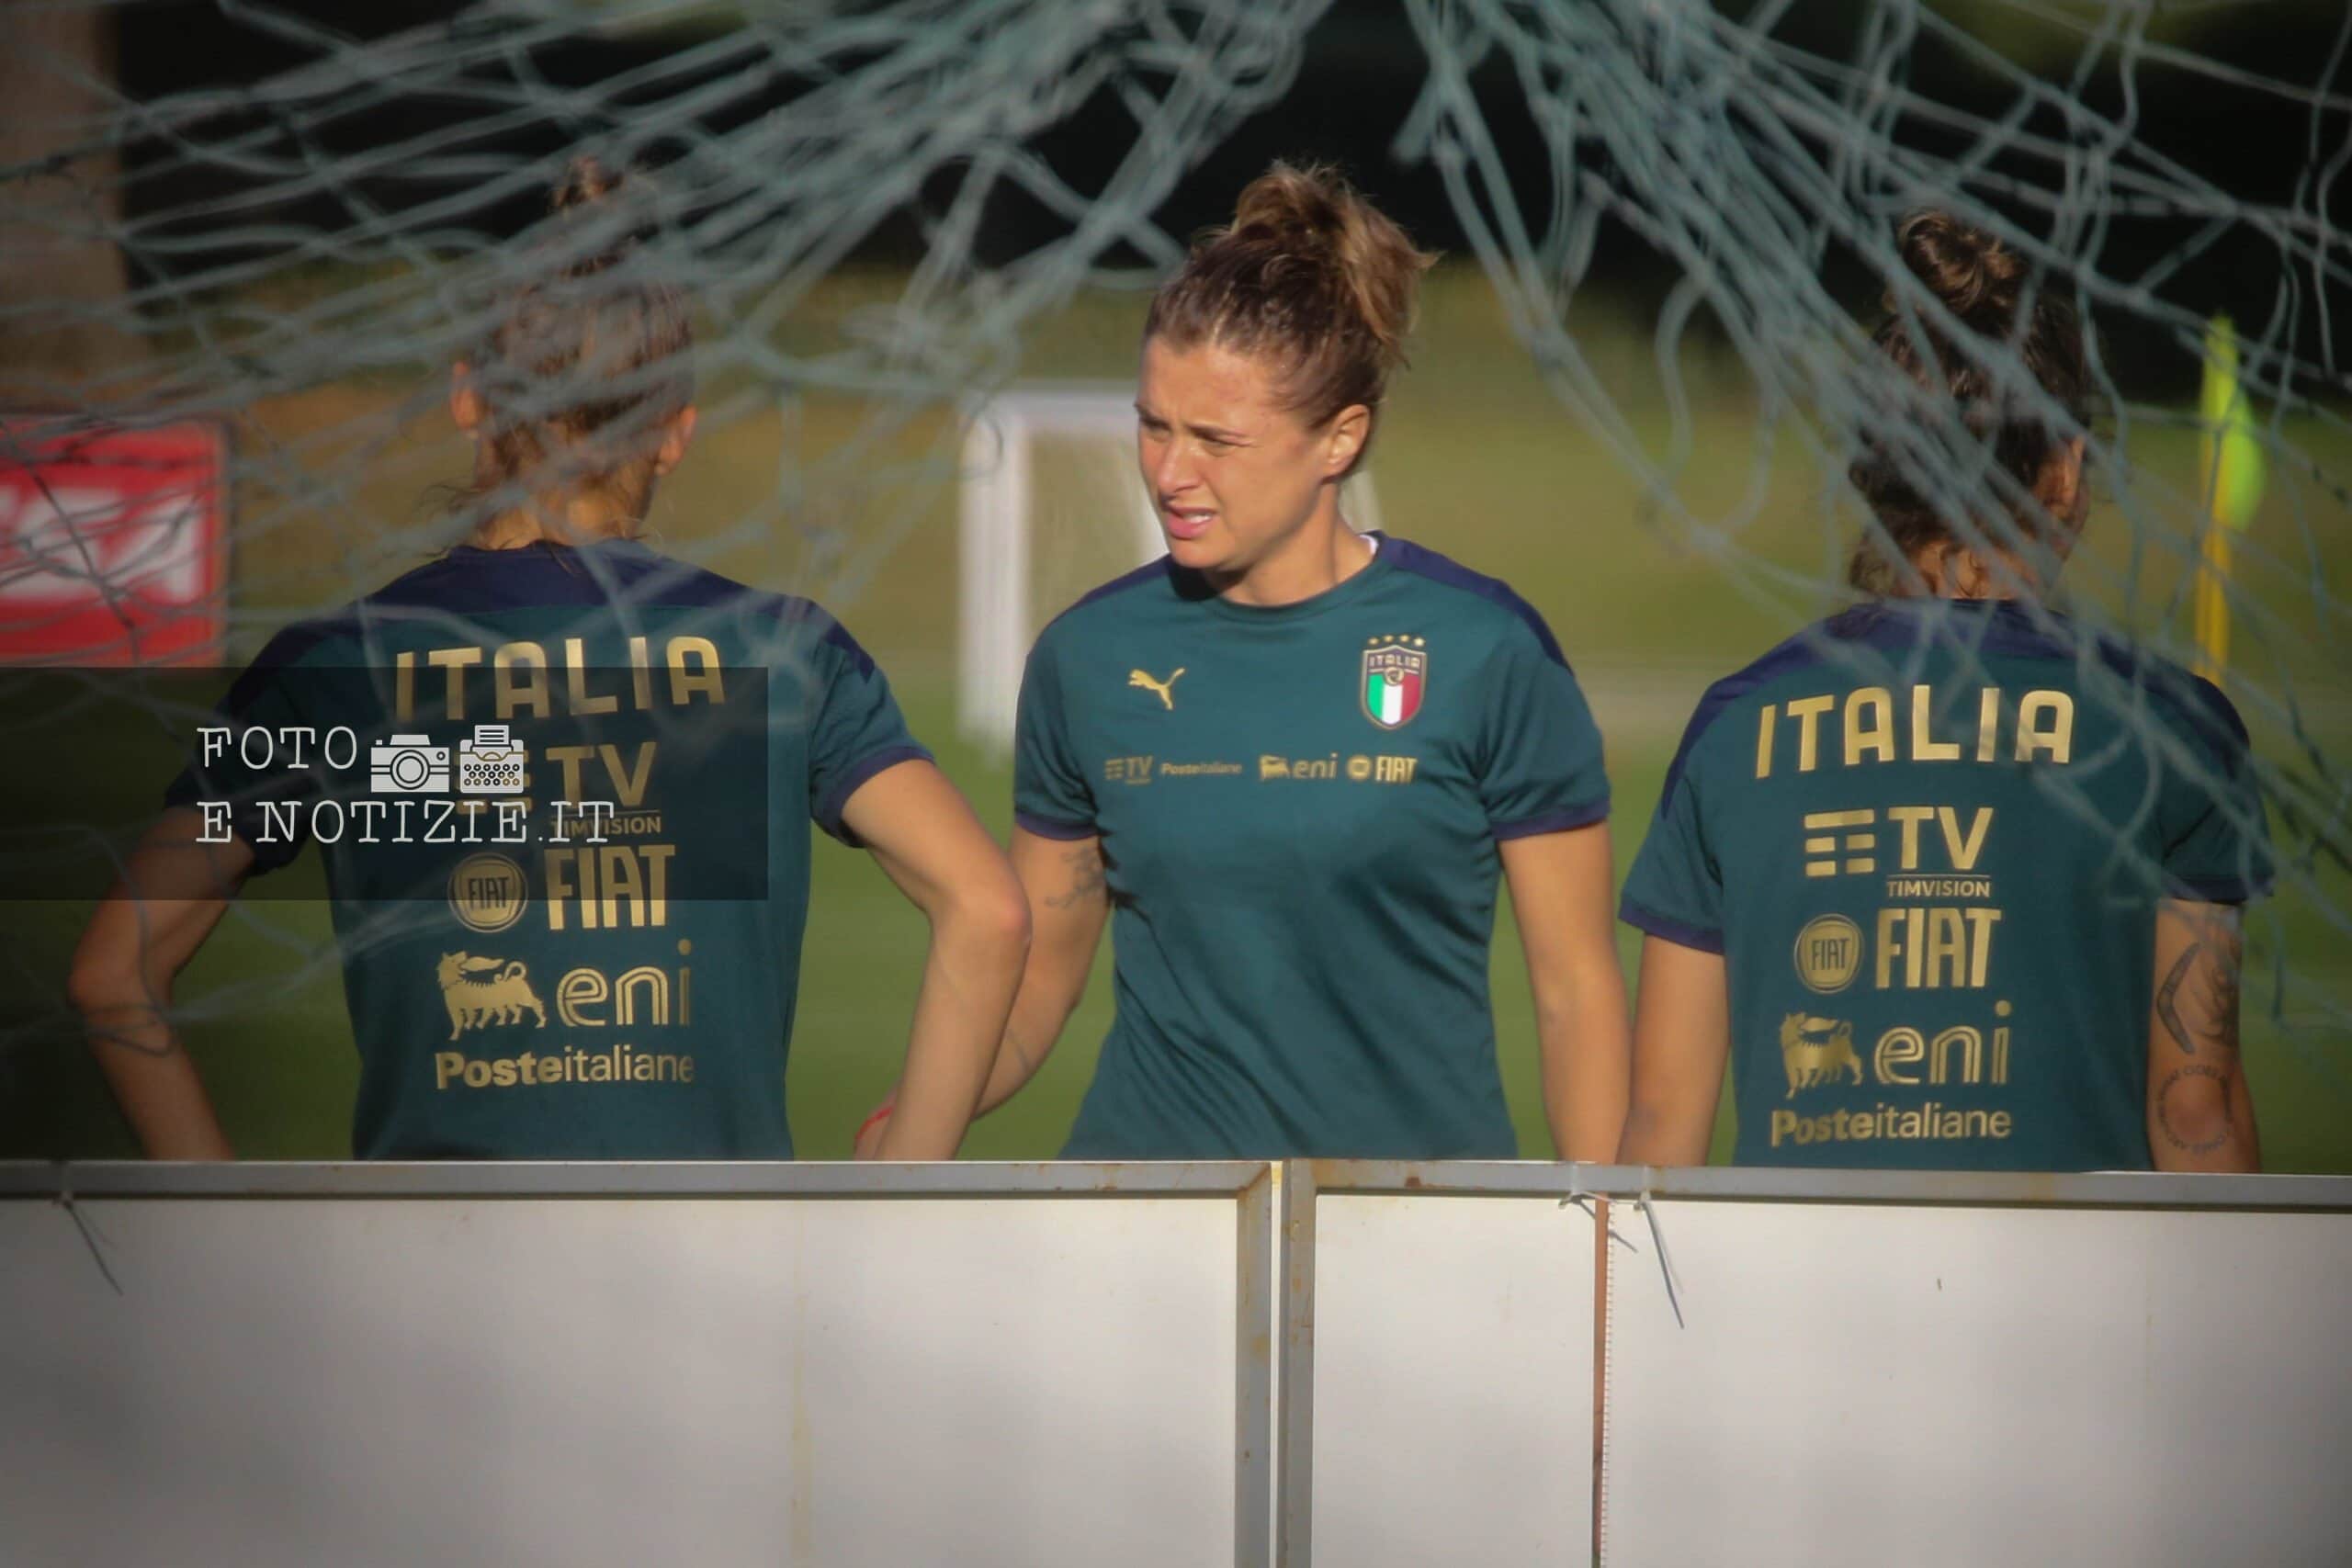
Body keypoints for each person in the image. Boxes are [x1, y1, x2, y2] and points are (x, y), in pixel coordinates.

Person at [68, 159, 1029, 1160]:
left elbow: (112, 973)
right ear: (674, 433)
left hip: (434, 1251)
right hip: (718, 1253)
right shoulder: (785, 653)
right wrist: (894, 1198)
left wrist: (229, 1220)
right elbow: (990, 910)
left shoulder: (336, 668)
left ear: (467, 399)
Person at [864, 162, 1629, 1160]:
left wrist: (1594, 1221)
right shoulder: (1086, 657)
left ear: (1339, 440)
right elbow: (1037, 979)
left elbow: (1575, 992)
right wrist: (907, 1129)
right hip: (1143, 1217)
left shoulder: (1485, 650)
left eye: (1217, 440)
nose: (1170, 472)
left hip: (1413, 1224)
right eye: (1153, 427)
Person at [1615, 209, 2271, 1172]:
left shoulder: (1737, 726)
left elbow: (1660, 1132)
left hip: (1806, 1273)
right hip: (2073, 1272)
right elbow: (2195, 1112)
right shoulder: (2175, 727)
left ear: (1874, 473)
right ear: (2064, 472)